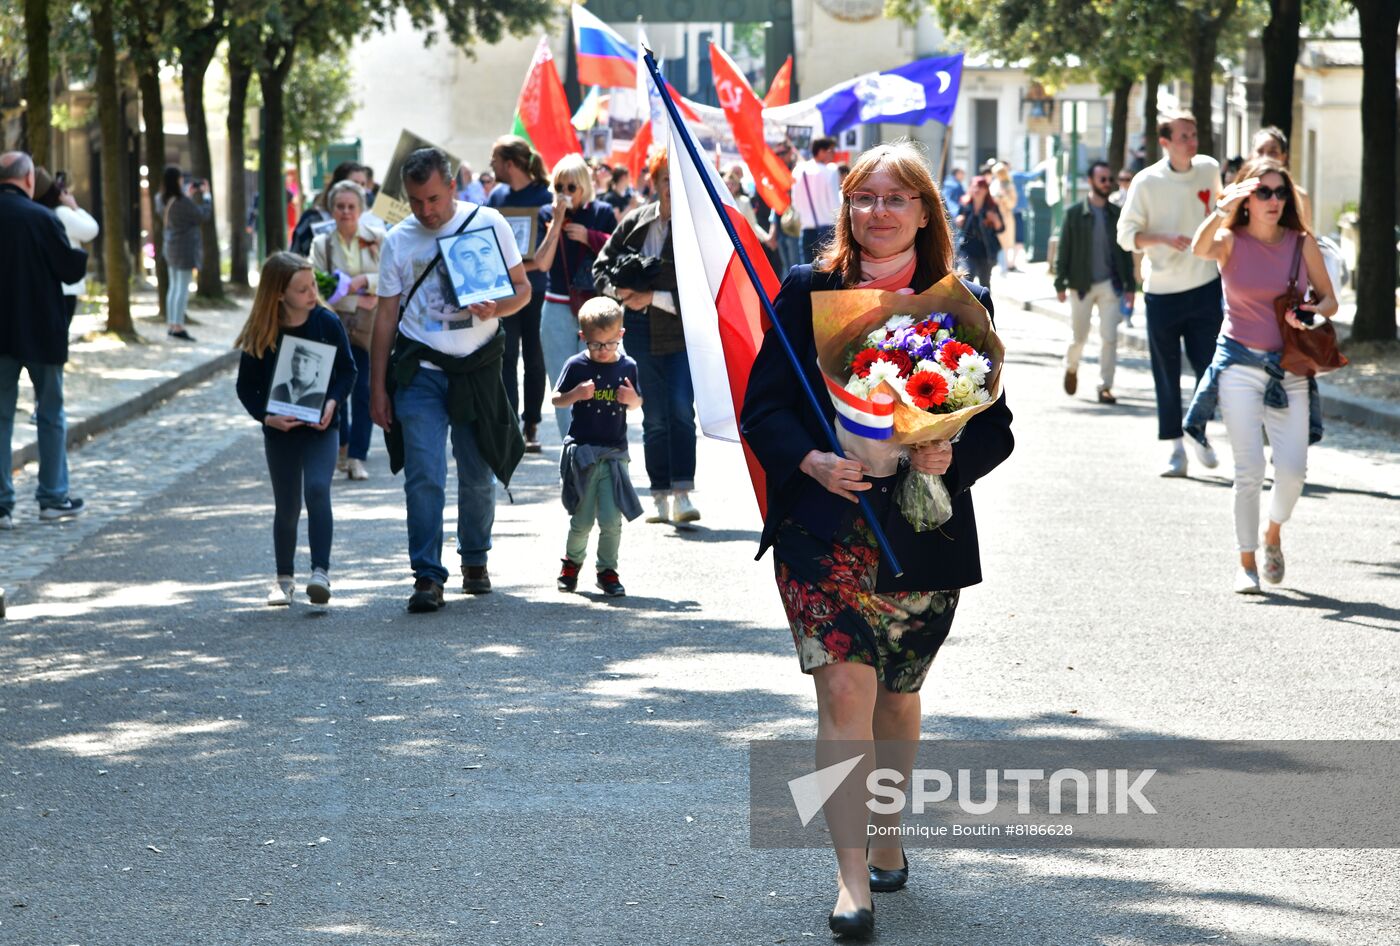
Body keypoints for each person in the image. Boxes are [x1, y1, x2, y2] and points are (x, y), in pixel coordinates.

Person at [740, 141, 1014, 942]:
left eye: (896, 198)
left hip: (920, 531)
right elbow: (766, 409)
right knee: (843, 692)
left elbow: (995, 430)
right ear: (846, 208)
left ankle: (888, 832)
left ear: (925, 211)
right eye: (864, 198)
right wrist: (813, 459)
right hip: (825, 528)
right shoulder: (806, 291)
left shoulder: (959, 300)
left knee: (896, 696)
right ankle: (850, 877)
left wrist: (948, 456)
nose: (878, 212)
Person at [368, 147, 531, 612]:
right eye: (416, 202)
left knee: (477, 474)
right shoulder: (399, 239)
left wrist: (496, 307)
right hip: (420, 371)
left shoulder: (489, 223)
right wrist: (376, 387)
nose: (426, 211)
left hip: (476, 368)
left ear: (453, 187)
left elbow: (523, 290)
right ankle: (427, 575)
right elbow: (385, 319)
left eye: (434, 199)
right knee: (424, 475)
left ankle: (475, 559)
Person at [1185, 157, 1337, 594]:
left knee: (1292, 471)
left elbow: (1330, 301)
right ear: (1248, 197)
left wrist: (1310, 314)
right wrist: (1220, 208)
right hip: (1238, 365)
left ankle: (1273, 533)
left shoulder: (1299, 242)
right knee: (1249, 468)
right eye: (1264, 191)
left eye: (1280, 192)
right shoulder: (1229, 240)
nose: (1274, 200)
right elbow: (1198, 249)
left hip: (1288, 367)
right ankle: (1246, 561)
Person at [236, 252, 356, 606]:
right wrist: (266, 417)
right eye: (302, 289)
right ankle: (283, 579)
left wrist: (333, 402)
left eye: (313, 285)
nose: (311, 293)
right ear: (278, 294)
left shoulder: (326, 323)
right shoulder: (263, 330)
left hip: (322, 426)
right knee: (287, 506)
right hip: (280, 430)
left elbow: (347, 371)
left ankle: (321, 572)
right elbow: (246, 387)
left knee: (318, 490)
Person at [593, 149, 701, 525]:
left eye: (677, 181)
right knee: (654, 416)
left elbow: (703, 289)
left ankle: (682, 493)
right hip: (638, 333)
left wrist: (652, 296)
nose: (672, 188)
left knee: (681, 412)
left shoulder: (696, 227)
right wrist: (618, 293)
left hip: (681, 335)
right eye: (666, 180)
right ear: (655, 185)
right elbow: (601, 267)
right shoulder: (636, 222)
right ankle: (659, 495)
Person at [1116, 110, 1224, 477]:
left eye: (1194, 135)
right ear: (1165, 142)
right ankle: (1175, 449)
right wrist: (1161, 238)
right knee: (1167, 372)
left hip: (1206, 286)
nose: (1191, 142)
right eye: (1183, 136)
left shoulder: (1210, 169)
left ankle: (1199, 431)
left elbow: (1222, 215)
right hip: (1161, 292)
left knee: (1210, 368)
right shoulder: (1146, 182)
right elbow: (1126, 235)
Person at [0, 151, 90, 529]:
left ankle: (1, 504)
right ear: (29, 180)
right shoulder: (42, 218)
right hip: (42, 331)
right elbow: (69, 268)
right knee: (50, 414)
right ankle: (52, 497)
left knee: (0, 417)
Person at [553, 297, 643, 597]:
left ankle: (607, 570)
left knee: (611, 519)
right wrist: (575, 394)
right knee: (581, 519)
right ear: (583, 338)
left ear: (621, 336)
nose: (603, 351)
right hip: (583, 452)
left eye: (609, 344)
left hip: (615, 454)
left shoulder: (628, 365)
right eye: (595, 345)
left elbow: (638, 401)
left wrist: (633, 401)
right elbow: (557, 399)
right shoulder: (576, 365)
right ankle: (571, 563)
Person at [532, 154, 617, 440]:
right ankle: (572, 448)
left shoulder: (602, 211)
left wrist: (590, 236)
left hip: (594, 308)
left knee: (599, 379)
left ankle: (597, 444)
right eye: (559, 187)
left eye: (571, 187)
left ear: (583, 186)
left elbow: (618, 250)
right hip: (556, 305)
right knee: (563, 383)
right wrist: (556, 223)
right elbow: (542, 263)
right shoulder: (547, 213)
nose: (565, 193)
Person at [310, 179, 385, 481]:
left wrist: (366, 281)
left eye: (351, 207)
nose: (345, 212)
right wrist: (356, 300)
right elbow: (314, 285)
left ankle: (357, 456)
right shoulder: (321, 244)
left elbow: (393, 276)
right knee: (335, 390)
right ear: (332, 209)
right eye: (339, 207)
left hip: (368, 329)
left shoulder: (379, 238)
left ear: (361, 209)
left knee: (364, 391)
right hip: (334, 326)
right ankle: (339, 449)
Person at [488, 135, 552, 453]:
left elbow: (548, 246)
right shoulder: (496, 196)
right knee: (507, 356)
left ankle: (532, 425)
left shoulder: (544, 196)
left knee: (534, 358)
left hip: (537, 288)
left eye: (495, 161)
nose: (492, 167)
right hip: (505, 291)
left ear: (509, 164)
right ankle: (512, 422)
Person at [1055, 161, 1137, 404]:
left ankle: (1105, 386)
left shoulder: (1116, 214)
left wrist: (1131, 286)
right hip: (1081, 285)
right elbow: (1063, 249)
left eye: (1108, 179)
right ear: (1090, 181)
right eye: (1102, 179)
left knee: (1109, 337)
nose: (1107, 183)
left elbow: (1124, 252)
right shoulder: (1073, 214)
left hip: (1110, 285)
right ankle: (1071, 367)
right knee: (1079, 337)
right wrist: (1060, 282)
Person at [33, 168, 98, 326]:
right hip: (65, 285)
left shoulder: (38, 213)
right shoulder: (62, 213)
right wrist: (74, 206)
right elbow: (91, 229)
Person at [158, 164, 212, 341]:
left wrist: (187, 196)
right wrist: (206, 196)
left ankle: (172, 324)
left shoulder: (161, 198)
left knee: (173, 287)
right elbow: (201, 215)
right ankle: (178, 326)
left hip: (170, 246)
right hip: (184, 248)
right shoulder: (182, 201)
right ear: (177, 180)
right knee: (182, 287)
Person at [791, 137, 842, 264]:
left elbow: (795, 202)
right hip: (827, 228)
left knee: (808, 271)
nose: (833, 154)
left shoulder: (798, 170)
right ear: (821, 151)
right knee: (827, 272)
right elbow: (835, 202)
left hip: (806, 227)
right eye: (831, 150)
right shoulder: (830, 171)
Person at [1251, 127, 1313, 228]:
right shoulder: (1238, 195)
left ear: (1284, 158)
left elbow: (1305, 237)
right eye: (1260, 152)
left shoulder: (1300, 198)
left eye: (1273, 153)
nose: (1266, 158)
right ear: (1251, 156)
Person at [954, 175, 1003, 289]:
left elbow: (1001, 228)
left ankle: (985, 306)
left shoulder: (992, 207)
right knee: (967, 278)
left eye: (980, 187)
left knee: (985, 283)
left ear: (986, 190)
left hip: (986, 250)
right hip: (967, 249)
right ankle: (967, 306)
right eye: (974, 187)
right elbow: (959, 224)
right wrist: (959, 221)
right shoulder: (965, 205)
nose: (977, 190)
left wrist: (995, 220)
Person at [990, 162, 1020, 273]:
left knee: (1005, 242)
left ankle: (1004, 266)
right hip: (993, 215)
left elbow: (1012, 203)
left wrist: (1004, 197)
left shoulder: (1009, 185)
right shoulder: (994, 184)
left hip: (1005, 216)